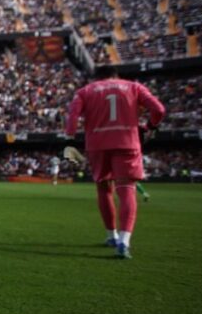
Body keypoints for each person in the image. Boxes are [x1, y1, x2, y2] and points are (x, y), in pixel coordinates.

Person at [66, 68, 166, 259]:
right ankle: (124, 241)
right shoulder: (134, 87)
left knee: (104, 190)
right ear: (117, 75)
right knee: (126, 190)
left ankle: (110, 235)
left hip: (97, 145)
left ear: (97, 78)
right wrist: (150, 126)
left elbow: (72, 120)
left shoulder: (85, 91)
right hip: (127, 142)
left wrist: (71, 136)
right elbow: (159, 110)